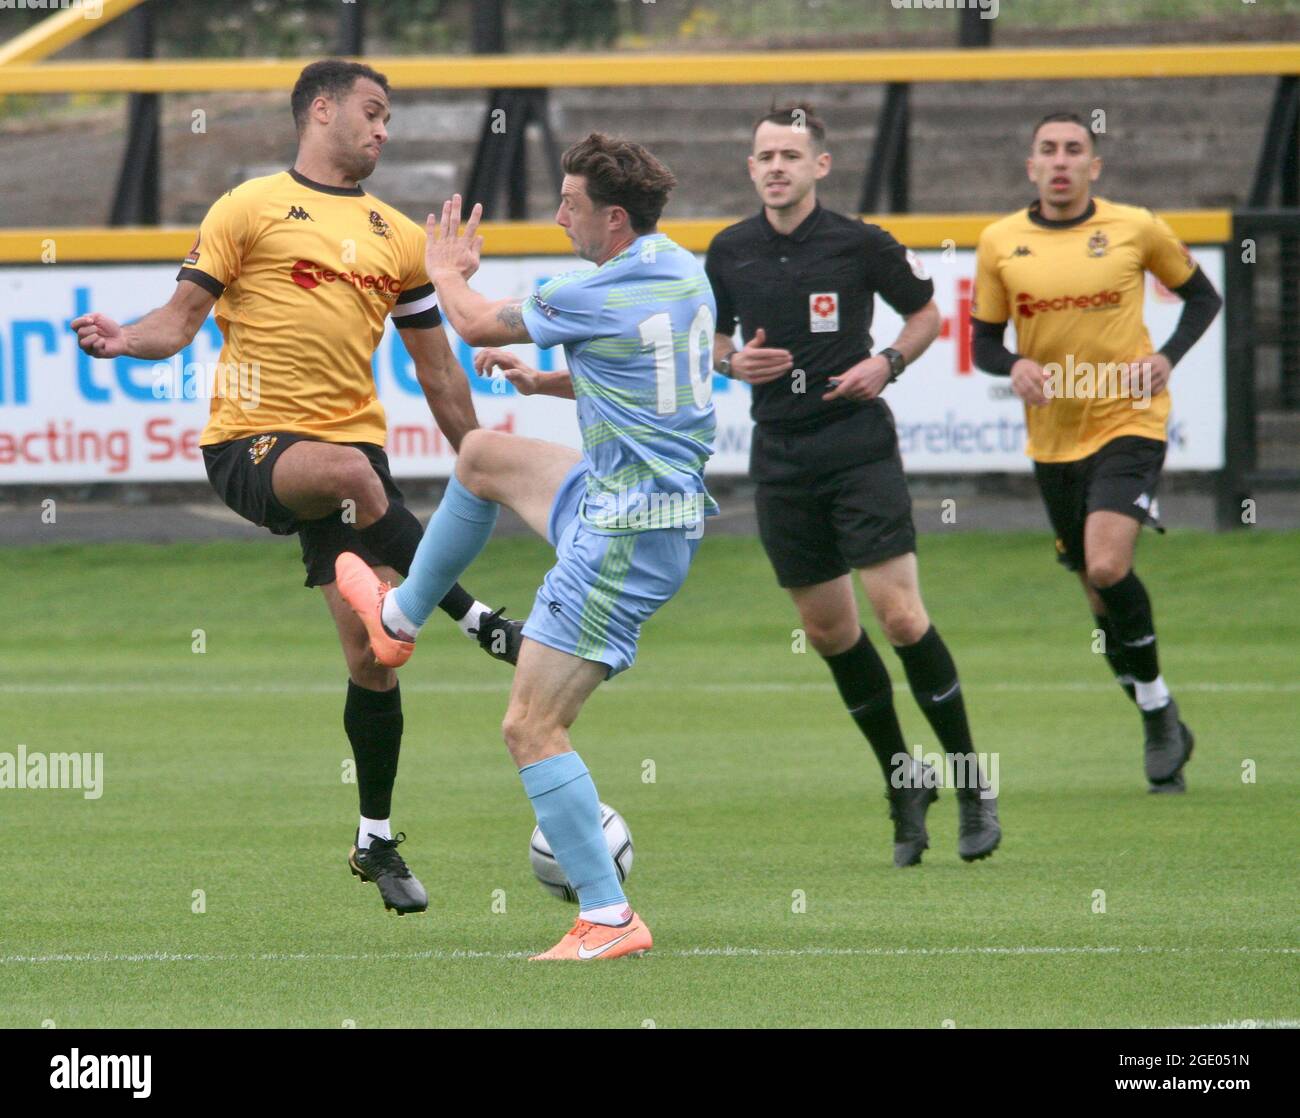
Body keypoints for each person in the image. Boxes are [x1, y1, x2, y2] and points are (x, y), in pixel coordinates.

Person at [71, 60, 523, 916]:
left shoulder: (397, 234)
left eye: (389, 117)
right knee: (353, 474)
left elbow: (436, 368)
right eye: (373, 112)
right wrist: (120, 340)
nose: (384, 130)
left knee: (376, 656)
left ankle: (375, 838)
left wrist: (484, 460)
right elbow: (178, 322)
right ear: (322, 110)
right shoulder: (247, 207)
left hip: (352, 456)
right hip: (253, 444)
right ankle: (482, 621)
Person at [338, 133, 718, 960]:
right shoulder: (681, 270)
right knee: (481, 459)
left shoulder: (596, 288)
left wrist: (442, 268)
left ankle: (609, 917)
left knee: (531, 727)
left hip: (624, 533)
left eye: (571, 204)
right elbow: (643, 366)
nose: (557, 216)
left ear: (613, 219)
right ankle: (400, 618)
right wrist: (550, 382)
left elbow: (470, 321)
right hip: (629, 500)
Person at [704, 104, 1000, 868]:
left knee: (899, 617)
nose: (776, 167)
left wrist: (888, 363)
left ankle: (971, 784)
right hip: (779, 456)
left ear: (819, 167)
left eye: (790, 156)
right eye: (764, 155)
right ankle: (906, 783)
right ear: (751, 168)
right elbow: (714, 342)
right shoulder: (728, 250)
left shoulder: (861, 243)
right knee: (832, 634)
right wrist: (730, 363)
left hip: (858, 448)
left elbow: (928, 314)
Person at [971, 111, 1222, 792]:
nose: (1060, 160)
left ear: (1094, 166)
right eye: (1047, 149)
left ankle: (1158, 718)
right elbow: (985, 345)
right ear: (1031, 167)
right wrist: (1012, 366)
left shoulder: (1135, 228)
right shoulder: (1000, 241)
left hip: (1129, 419)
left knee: (1109, 567)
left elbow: (1203, 297)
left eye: (1073, 149)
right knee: (1095, 593)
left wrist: (1166, 357)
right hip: (1053, 436)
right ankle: (1158, 711)